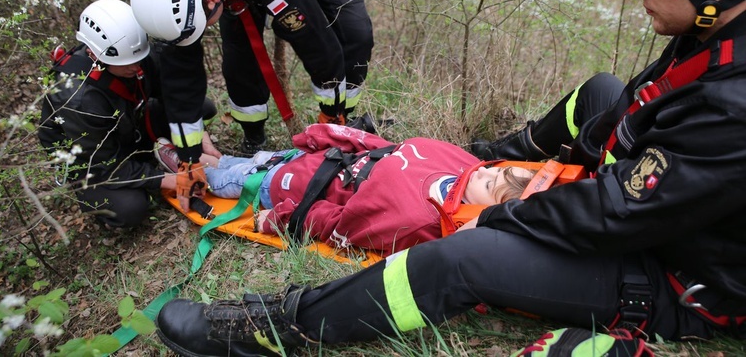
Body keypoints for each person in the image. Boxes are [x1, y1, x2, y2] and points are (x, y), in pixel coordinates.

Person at [155, 0, 746, 355]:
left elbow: (616, 213)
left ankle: (275, 328)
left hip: (676, 270)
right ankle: (478, 157)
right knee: (600, 91)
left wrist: (498, 215)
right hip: (657, 202)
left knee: (466, 259)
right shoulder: (711, 34)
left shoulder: (734, 105)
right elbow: (634, 119)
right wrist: (516, 169)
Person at [129, 0, 374, 177]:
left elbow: (317, 44)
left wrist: (330, 116)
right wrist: (188, 160)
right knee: (239, 56)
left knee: (353, 32)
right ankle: (253, 135)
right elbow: (180, 83)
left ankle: (343, 121)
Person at [156, 123, 536, 256]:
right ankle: (212, 158)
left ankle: (169, 178)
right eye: (494, 173)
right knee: (248, 161)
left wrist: (279, 219)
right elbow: (385, 146)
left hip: (294, 185)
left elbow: (338, 225)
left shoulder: (417, 220)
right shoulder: (460, 164)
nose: (481, 175)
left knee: (231, 180)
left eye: (488, 185)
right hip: (319, 158)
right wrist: (326, 136)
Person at [38, 0, 219, 227]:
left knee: (202, 108)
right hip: (93, 161)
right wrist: (174, 180)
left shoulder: (135, 54)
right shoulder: (78, 100)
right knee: (130, 209)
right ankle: (97, 190)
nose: (136, 67)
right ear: (95, 55)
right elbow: (106, 165)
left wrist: (197, 139)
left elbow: (174, 94)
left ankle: (154, 153)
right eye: (127, 63)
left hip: (128, 123)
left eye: (138, 59)